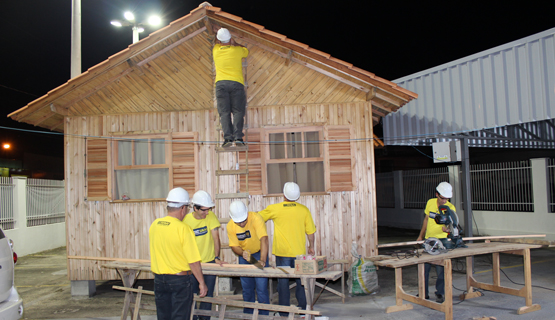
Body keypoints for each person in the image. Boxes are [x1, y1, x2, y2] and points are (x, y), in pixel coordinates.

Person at [258, 182, 316, 316]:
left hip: (282, 253)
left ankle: (284, 312)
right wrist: (311, 246)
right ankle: (302, 310)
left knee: (282, 282)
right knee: (301, 281)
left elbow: (257, 218)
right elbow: (311, 232)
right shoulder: (304, 210)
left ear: (283, 194)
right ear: (297, 196)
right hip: (299, 253)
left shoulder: (275, 208)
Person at [149, 187, 208, 320]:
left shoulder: (155, 225)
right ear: (182, 208)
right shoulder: (183, 228)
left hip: (159, 280)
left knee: (163, 317)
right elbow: (193, 261)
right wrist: (201, 283)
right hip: (179, 282)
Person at [183, 190, 223, 320]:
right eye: (204, 210)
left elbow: (216, 238)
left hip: (209, 261)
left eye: (209, 209)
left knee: (207, 295)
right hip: (192, 263)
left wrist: (216, 257)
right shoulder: (186, 221)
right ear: (195, 208)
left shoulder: (211, 216)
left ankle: (205, 318)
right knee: (192, 294)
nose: (207, 212)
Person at [227, 200, 270, 315]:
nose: (241, 224)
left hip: (259, 253)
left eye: (243, 221)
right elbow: (234, 246)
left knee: (261, 288)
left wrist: (262, 259)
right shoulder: (230, 226)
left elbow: (264, 239)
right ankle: (248, 314)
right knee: (247, 289)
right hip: (244, 258)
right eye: (238, 222)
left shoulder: (256, 218)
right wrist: (242, 253)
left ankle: (264, 316)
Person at [416, 181, 456, 303]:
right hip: (429, 240)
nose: (445, 201)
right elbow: (426, 219)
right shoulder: (430, 202)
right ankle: (424, 293)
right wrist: (420, 236)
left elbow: (452, 226)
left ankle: (440, 293)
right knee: (424, 268)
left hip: (442, 241)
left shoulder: (451, 208)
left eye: (447, 199)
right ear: (436, 194)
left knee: (441, 269)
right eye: (443, 198)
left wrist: (447, 229)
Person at [213, 27, 249, 147]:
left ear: (219, 41)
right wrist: (235, 43)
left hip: (221, 84)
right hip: (236, 83)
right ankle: (238, 137)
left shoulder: (216, 50)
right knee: (238, 111)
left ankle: (228, 139)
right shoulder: (237, 51)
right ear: (230, 39)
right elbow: (246, 51)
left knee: (224, 112)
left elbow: (216, 41)